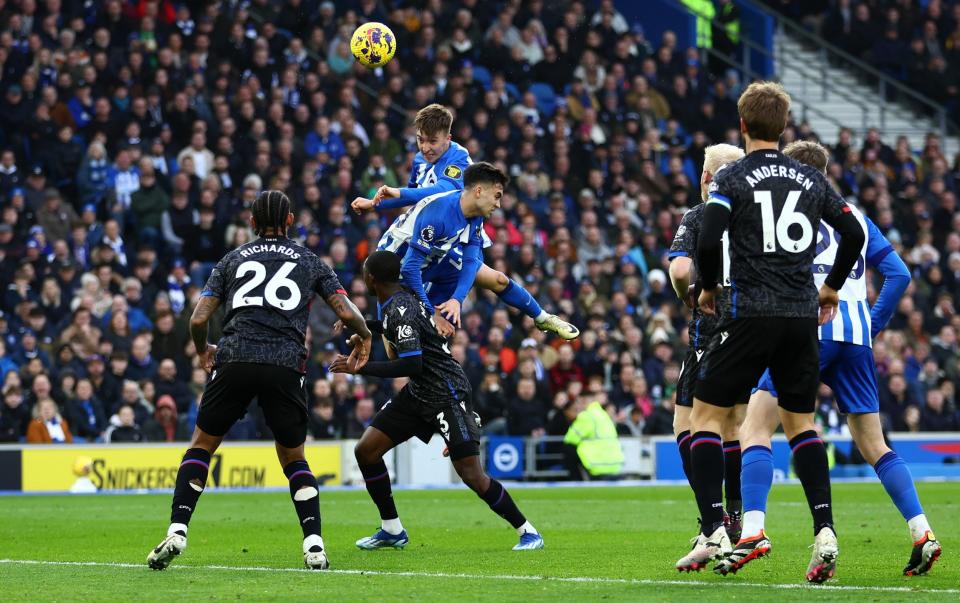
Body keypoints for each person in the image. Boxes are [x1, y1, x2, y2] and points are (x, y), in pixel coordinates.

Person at [679, 81, 865, 582]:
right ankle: (824, 530)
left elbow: (711, 232)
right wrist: (830, 288)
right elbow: (853, 232)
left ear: (743, 125)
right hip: (802, 315)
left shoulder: (733, 177)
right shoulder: (810, 178)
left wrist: (711, 286)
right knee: (801, 423)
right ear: (784, 127)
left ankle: (717, 528)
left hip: (750, 311)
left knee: (705, 419)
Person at [729, 141, 941, 577]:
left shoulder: (788, 211)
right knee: (873, 443)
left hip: (805, 329)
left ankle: (753, 529)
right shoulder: (856, 216)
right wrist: (871, 323)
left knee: (756, 425)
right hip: (856, 340)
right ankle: (922, 531)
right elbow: (899, 274)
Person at [147, 190, 372, 572]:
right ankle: (314, 544)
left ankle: (178, 529)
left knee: (202, 446)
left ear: (251, 222)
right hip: (284, 364)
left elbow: (199, 319)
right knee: (293, 457)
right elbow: (346, 310)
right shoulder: (309, 260)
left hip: (234, 357)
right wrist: (364, 336)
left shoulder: (232, 259)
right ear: (290, 221)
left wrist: (204, 350)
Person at [332, 251, 544, 552]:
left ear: (371, 278)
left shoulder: (401, 307)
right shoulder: (399, 302)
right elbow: (395, 329)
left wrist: (361, 368)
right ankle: (392, 529)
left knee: (471, 474)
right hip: (420, 393)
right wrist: (362, 325)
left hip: (447, 394)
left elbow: (412, 365)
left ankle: (528, 531)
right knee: (366, 451)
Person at [351, 104, 578, 340]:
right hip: (420, 240)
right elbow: (416, 194)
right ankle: (388, 334)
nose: (426, 148)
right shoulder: (420, 161)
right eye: (420, 140)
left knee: (496, 279)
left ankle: (542, 318)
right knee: (399, 329)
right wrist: (375, 203)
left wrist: (396, 193)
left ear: (448, 138)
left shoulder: (459, 160)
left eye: (432, 141)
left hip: (452, 235)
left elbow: (442, 190)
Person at [668, 143, 746, 543]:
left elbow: (681, 270)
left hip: (712, 324)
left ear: (705, 178)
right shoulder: (752, 216)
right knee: (733, 425)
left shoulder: (700, 215)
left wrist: (688, 293)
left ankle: (710, 519)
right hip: (754, 325)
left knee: (690, 423)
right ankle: (735, 515)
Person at [562, 395, 624, 479]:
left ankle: (576, 482)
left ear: (583, 401)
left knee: (568, 448)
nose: (578, 408)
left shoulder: (586, 416)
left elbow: (569, 439)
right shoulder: (603, 414)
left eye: (578, 404)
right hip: (615, 465)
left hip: (597, 465)